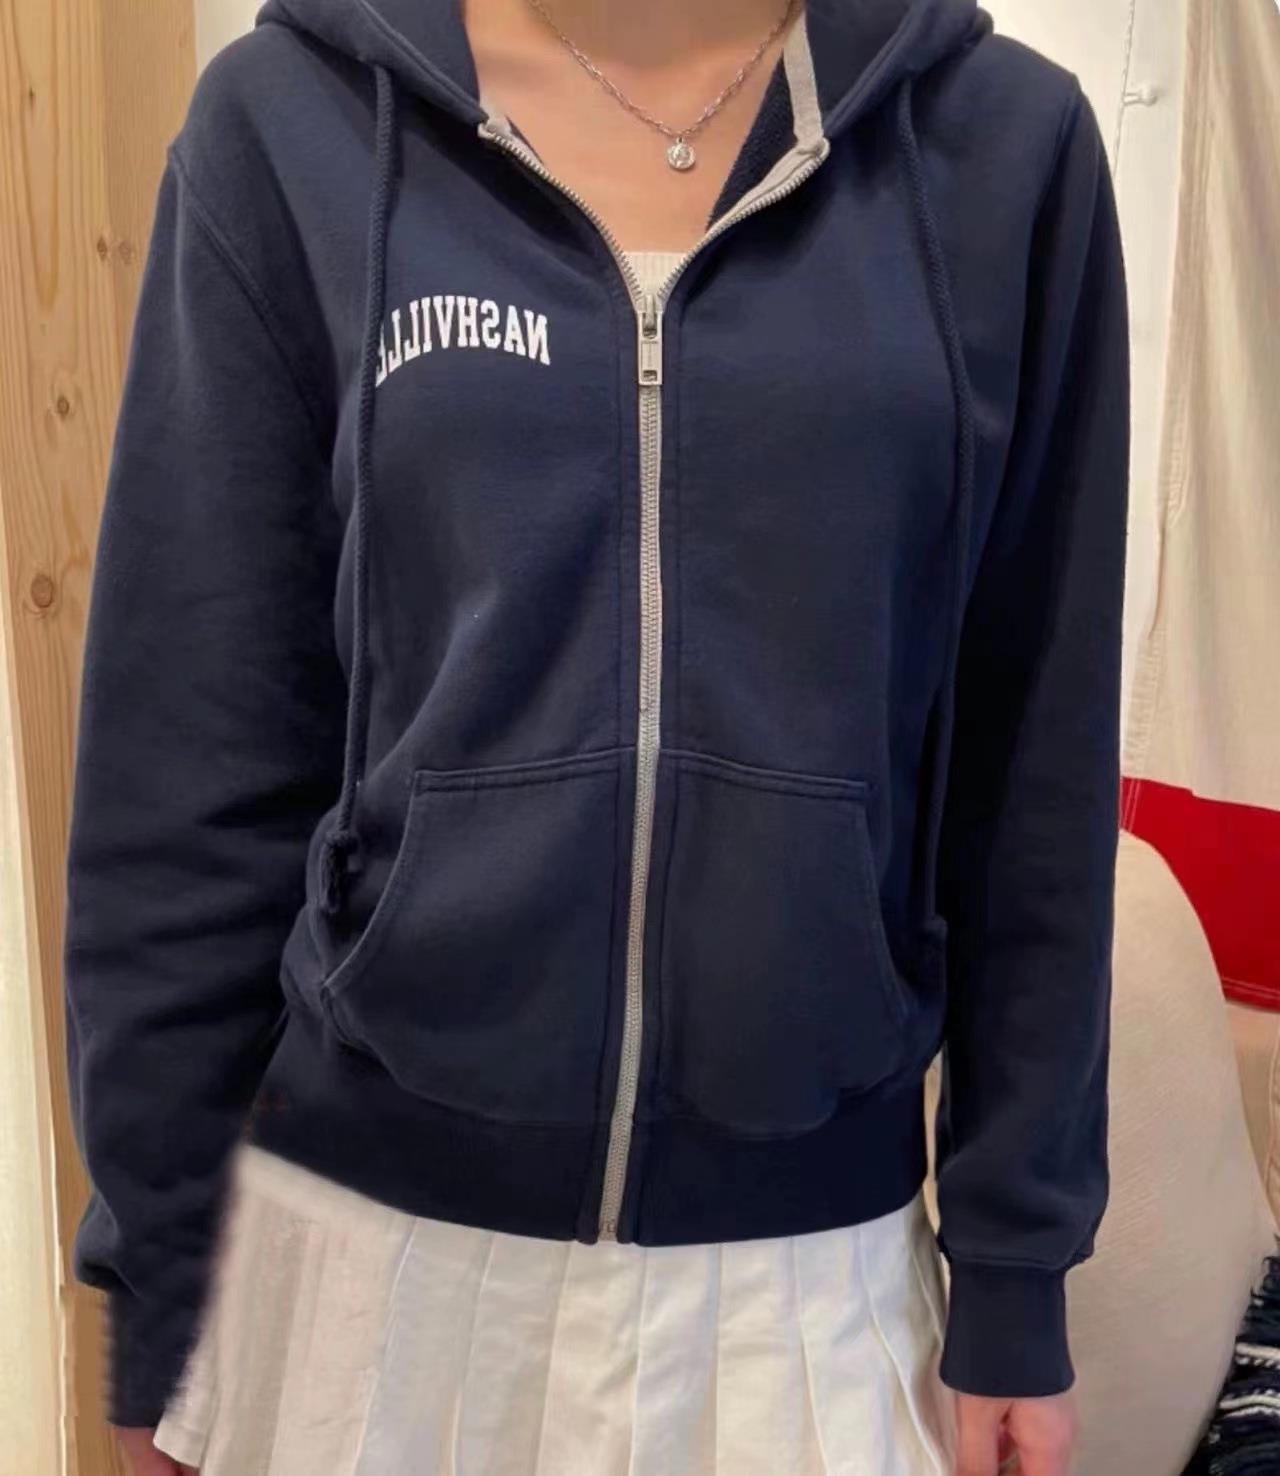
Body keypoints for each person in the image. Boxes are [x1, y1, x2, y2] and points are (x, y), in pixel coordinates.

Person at [61, 0, 1129, 1472]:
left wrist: (1016, 1268)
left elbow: (1035, 762)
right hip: (367, 1276)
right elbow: (191, 755)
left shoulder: (1007, 149)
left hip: (807, 1295)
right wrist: (162, 1277)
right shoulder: (287, 127)